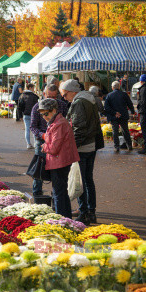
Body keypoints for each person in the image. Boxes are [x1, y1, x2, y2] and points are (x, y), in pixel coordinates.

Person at [60, 79, 103, 225]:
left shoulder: (79, 102)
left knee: (80, 181)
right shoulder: (89, 98)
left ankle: (84, 212)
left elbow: (79, 127)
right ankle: (91, 211)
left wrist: (73, 147)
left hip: (82, 147)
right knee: (88, 180)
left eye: (65, 95)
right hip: (91, 145)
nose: (64, 98)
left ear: (72, 92)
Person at [39, 99, 80, 218]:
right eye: (42, 114)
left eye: (46, 113)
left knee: (58, 193)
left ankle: (61, 218)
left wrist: (44, 146)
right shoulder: (56, 122)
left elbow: (53, 148)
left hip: (59, 162)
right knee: (60, 192)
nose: (44, 117)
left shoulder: (59, 124)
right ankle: (65, 217)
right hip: (59, 161)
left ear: (54, 110)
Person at [30, 84, 68, 197]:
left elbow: (65, 121)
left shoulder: (62, 105)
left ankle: (55, 193)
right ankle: (37, 193)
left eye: (54, 97)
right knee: (39, 168)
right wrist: (43, 135)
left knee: (57, 167)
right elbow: (32, 126)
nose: (51, 99)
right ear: (44, 94)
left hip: (57, 140)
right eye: (49, 96)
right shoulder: (37, 107)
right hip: (41, 141)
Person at [104, 81, 135, 152]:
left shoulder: (109, 95)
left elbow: (106, 107)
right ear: (119, 87)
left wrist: (115, 113)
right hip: (123, 115)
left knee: (115, 132)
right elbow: (130, 104)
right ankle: (129, 145)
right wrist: (133, 112)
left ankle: (116, 146)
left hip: (114, 116)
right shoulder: (124, 94)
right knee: (125, 131)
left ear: (112, 88)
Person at [18, 83, 39, 149]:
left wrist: (20, 116)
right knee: (34, 129)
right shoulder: (35, 96)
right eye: (33, 88)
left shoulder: (22, 96)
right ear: (30, 88)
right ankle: (36, 143)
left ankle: (28, 144)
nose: (33, 89)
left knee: (27, 129)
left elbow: (19, 107)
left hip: (26, 114)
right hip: (34, 115)